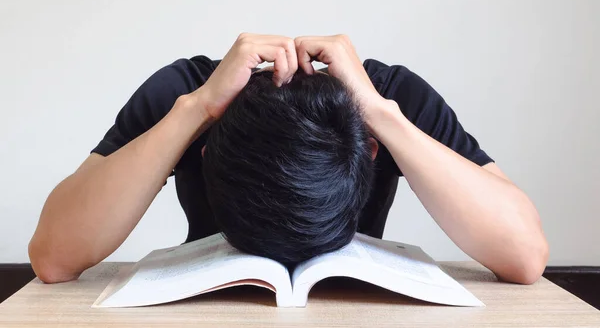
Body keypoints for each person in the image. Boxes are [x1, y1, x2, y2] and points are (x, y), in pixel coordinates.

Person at [29, 34, 548, 284]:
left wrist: (380, 114)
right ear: (207, 155)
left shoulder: (392, 100)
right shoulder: (186, 96)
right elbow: (54, 255)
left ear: (368, 153)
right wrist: (196, 109)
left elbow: (524, 254)